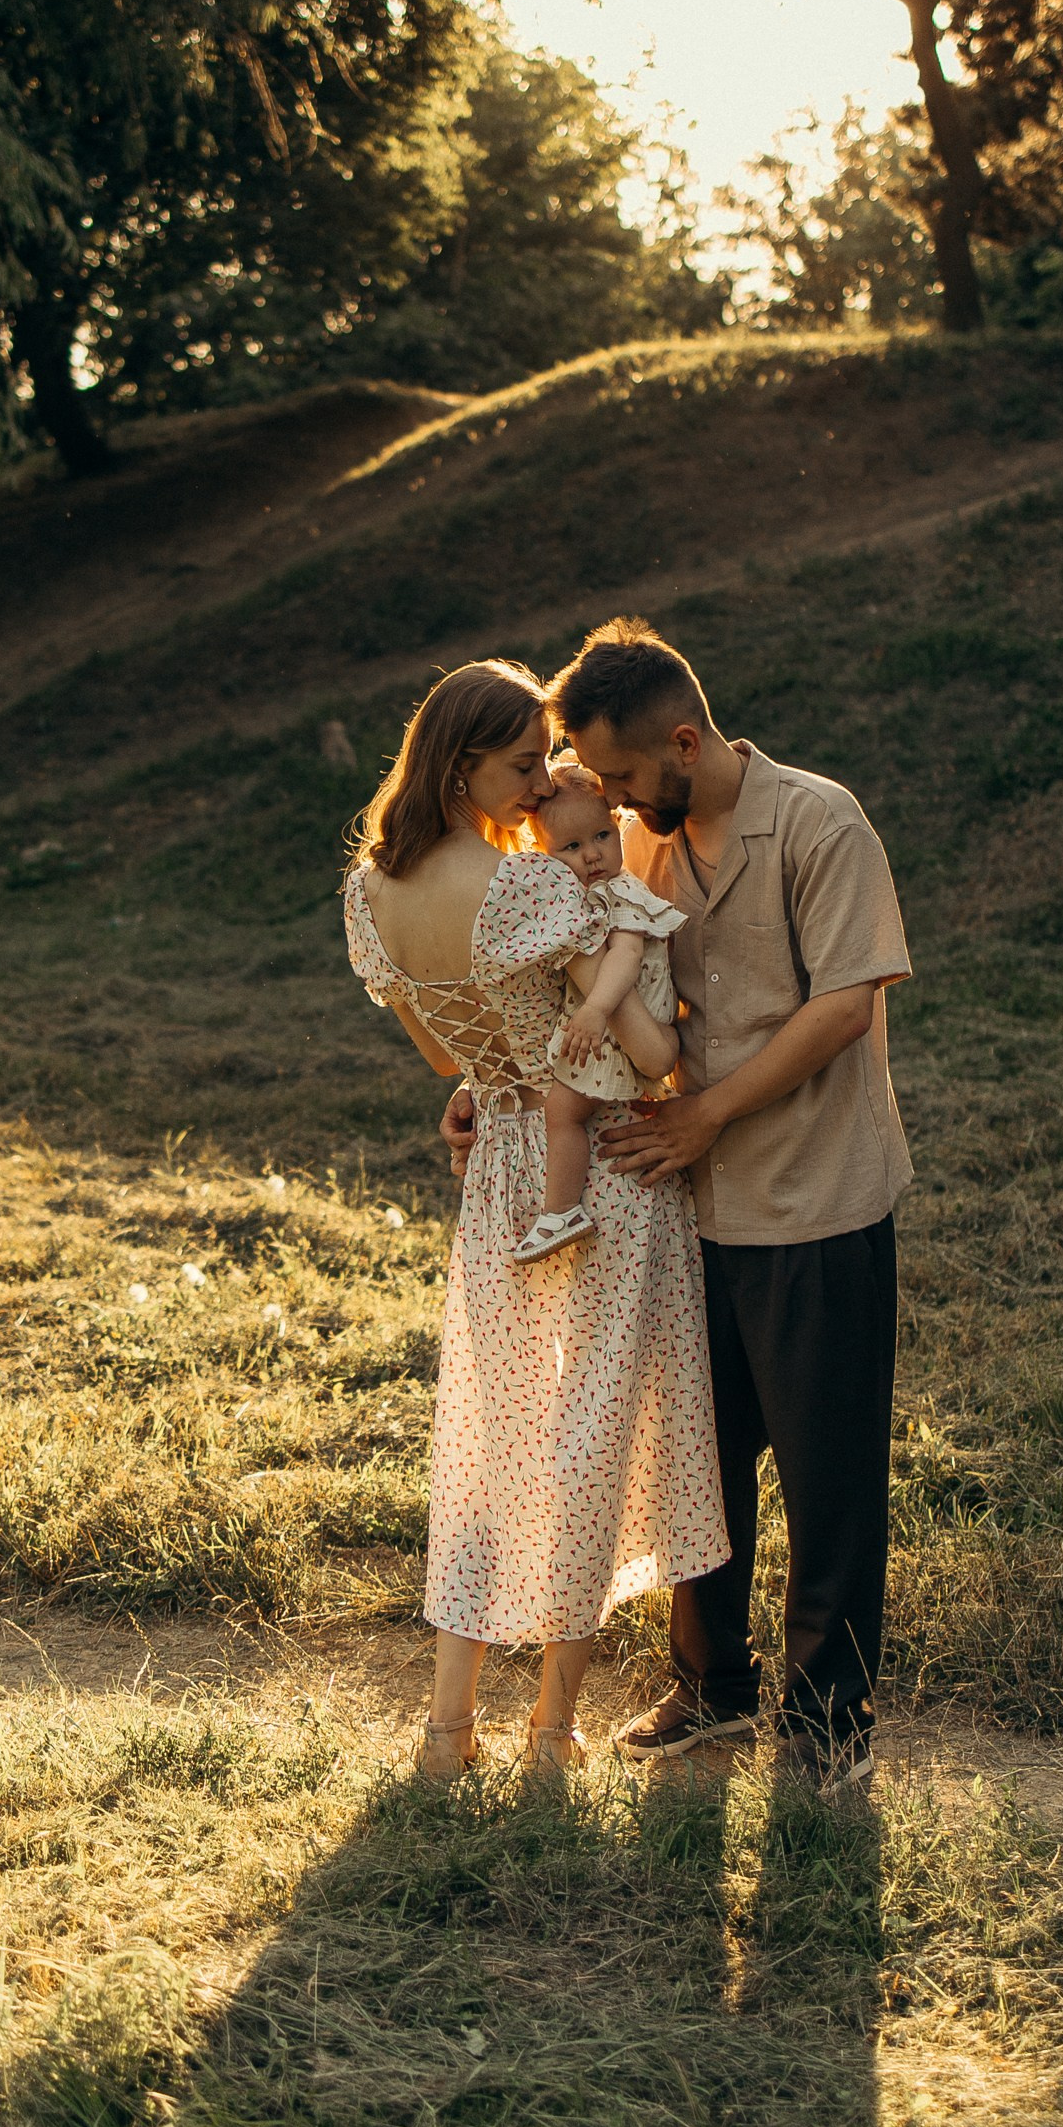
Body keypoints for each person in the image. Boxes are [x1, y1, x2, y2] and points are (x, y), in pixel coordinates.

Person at [450, 614, 913, 1790]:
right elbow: (584, 989)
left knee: (827, 1476)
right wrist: (485, 1086)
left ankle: (824, 1726)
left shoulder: (818, 821)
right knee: (694, 1459)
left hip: (812, 1201)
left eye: (613, 775)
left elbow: (843, 1007)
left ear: (684, 738)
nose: (599, 800)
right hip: (680, 1206)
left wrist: (707, 1114)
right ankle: (709, 1688)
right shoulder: (638, 842)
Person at [345, 659, 728, 1782]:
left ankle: (445, 1730)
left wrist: (476, 1093)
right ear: (462, 759)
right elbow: (635, 1053)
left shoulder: (369, 893)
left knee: (487, 1438)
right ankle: (549, 1739)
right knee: (585, 1442)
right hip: (597, 1176)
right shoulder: (533, 891)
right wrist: (667, 1051)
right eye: (519, 764)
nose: (534, 787)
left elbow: (444, 1060)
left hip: (499, 1177)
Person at [515, 763, 687, 1265]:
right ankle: (562, 1208)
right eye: (570, 848)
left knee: (563, 1110)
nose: (591, 854)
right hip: (618, 1018)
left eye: (601, 836)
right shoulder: (585, 896)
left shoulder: (621, 892)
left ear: (617, 826)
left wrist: (593, 1010)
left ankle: (561, 1210)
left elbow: (626, 957)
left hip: (624, 1017)